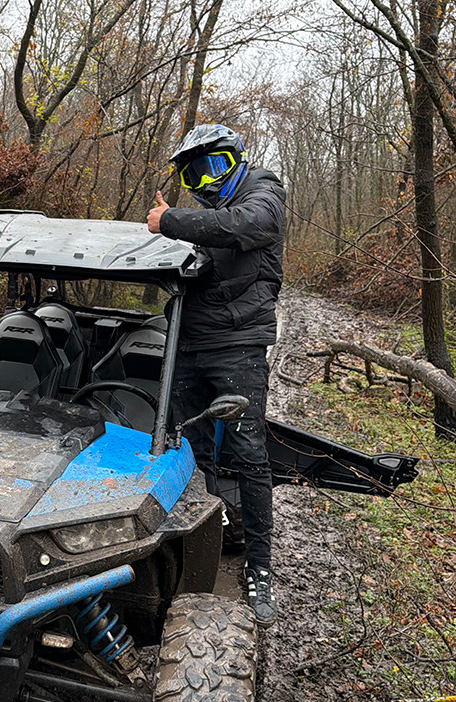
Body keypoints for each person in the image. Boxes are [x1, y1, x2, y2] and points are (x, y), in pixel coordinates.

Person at [146, 123, 285, 626]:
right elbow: (202, 258)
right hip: (190, 344)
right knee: (185, 446)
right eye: (193, 171)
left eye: (214, 165)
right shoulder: (205, 218)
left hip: (239, 345)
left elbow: (244, 226)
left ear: (236, 159)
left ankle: (259, 569)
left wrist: (170, 220)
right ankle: (196, 541)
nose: (205, 180)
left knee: (249, 454)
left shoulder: (264, 192)